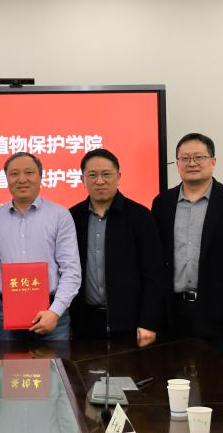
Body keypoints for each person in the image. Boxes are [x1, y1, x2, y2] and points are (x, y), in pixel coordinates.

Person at [151, 132, 223, 359]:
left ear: (213, 161)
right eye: (185, 158)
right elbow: (155, 263)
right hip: (172, 314)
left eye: (199, 157)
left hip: (218, 314)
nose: (192, 163)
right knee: (172, 375)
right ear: (177, 163)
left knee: (217, 378)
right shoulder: (162, 203)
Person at [0, 152, 81, 341]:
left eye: (29, 172)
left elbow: (71, 270)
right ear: (7, 179)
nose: (22, 179)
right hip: (7, 310)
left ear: (40, 177)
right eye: (14, 174)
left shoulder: (60, 215)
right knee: (9, 361)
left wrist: (55, 311)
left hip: (51, 311)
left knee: (54, 362)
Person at [68, 148, 162, 345]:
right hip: (84, 324)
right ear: (82, 179)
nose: (99, 181)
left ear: (118, 177)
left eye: (106, 174)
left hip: (130, 324)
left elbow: (153, 274)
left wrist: (148, 321)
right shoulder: (71, 218)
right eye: (92, 175)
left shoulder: (140, 216)